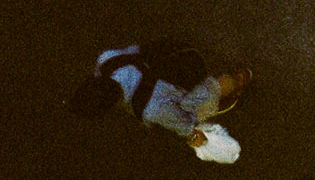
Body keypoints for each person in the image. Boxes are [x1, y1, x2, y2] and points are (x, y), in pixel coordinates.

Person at [70, 42, 249, 159]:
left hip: (184, 87)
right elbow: (137, 50)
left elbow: (183, 123)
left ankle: (236, 81)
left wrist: (195, 138)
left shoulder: (152, 109)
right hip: (175, 60)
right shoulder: (107, 60)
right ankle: (237, 78)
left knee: (210, 94)